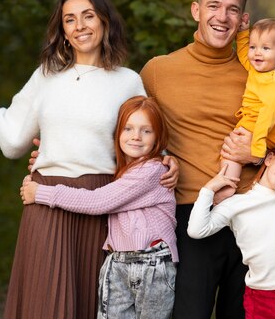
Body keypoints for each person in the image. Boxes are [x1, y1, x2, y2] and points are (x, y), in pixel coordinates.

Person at [0, 0, 178, 319]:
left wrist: (169, 160)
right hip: (44, 200)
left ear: (104, 22)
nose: (80, 25)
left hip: (101, 202)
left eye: (88, 16)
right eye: (70, 20)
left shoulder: (127, 81)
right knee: (45, 303)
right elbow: (11, 134)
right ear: (64, 32)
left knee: (91, 304)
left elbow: (145, 138)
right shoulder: (46, 77)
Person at [139, 0, 261, 319]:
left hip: (251, 216)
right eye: (214, 6)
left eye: (233, 9)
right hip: (192, 215)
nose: (222, 17)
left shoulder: (259, 73)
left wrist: (259, 151)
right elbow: (127, 132)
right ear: (196, 10)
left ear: (244, 19)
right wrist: (56, 148)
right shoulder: (158, 71)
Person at [19, 95, 177, 319]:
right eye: (128, 128)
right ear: (117, 133)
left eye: (146, 131)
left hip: (150, 264)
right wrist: (49, 159)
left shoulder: (152, 171)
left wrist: (41, 193)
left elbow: (98, 201)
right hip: (117, 262)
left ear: (157, 137)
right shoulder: (123, 170)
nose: (136, 137)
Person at [188, 118, 275, 319]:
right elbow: (196, 230)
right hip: (261, 295)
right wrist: (209, 189)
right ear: (269, 158)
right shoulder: (236, 204)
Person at [220, 18, 275, 181]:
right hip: (258, 121)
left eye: (266, 48)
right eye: (253, 47)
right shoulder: (259, 68)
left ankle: (226, 184)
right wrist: (243, 33)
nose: (257, 53)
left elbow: (269, 115)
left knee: (231, 150)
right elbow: (244, 56)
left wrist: (257, 145)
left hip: (268, 128)